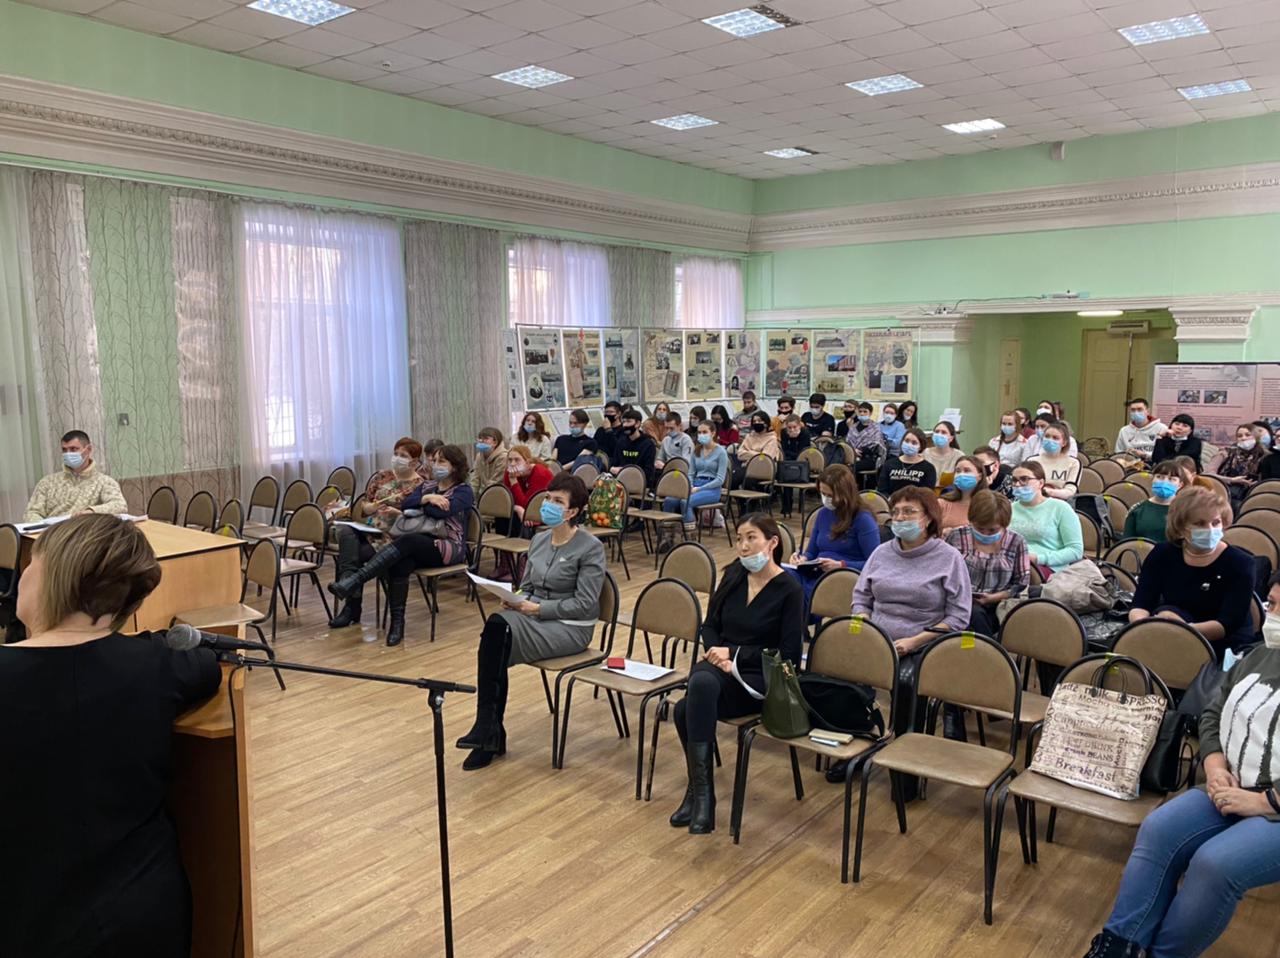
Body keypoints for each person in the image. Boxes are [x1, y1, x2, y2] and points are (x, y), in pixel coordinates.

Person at [0, 514, 221, 956]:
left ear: (55, 575)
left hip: (27, 919)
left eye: (31, 563)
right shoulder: (158, 668)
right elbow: (205, 664)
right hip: (145, 912)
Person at [1085, 573, 1280, 958]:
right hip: (1233, 784)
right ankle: (1119, 946)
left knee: (1215, 865)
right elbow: (1213, 713)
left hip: (1271, 804)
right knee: (1159, 829)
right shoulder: (1261, 656)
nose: (1269, 614)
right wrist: (1215, 765)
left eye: (1276, 607)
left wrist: (1265, 802)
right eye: (1271, 603)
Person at [456, 473, 606, 771]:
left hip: (570, 628)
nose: (548, 504)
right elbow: (527, 586)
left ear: (573, 511)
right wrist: (513, 598)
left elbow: (586, 604)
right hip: (533, 616)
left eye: (557, 501)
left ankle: (489, 732)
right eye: (548, 498)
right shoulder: (538, 540)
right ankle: (489, 729)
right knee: (496, 631)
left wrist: (536, 608)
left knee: (497, 636)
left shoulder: (590, 547)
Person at [669, 514, 804, 834]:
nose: (743, 546)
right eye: (740, 538)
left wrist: (735, 655)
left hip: (758, 678)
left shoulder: (790, 590)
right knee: (697, 689)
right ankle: (702, 795)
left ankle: (699, 795)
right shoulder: (733, 576)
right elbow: (709, 626)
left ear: (772, 543)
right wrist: (718, 654)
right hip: (719, 670)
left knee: (686, 707)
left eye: (751, 538)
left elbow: (788, 656)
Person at [852, 487, 972, 761]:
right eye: (895, 512)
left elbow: (958, 617)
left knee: (906, 680)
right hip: (878, 638)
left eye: (909, 512)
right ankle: (857, 744)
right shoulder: (881, 553)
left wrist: (913, 642)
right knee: (842, 668)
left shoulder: (949, 558)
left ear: (928, 518)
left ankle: (904, 754)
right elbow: (860, 598)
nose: (900, 518)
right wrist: (865, 625)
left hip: (924, 644)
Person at [329, 444, 475, 647]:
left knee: (407, 542)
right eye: (434, 460)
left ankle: (354, 581)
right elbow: (406, 504)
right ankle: (397, 624)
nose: (435, 464)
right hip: (419, 542)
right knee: (400, 561)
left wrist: (422, 504)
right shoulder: (429, 487)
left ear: (455, 466)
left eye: (442, 461)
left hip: (449, 546)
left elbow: (439, 513)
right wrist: (427, 498)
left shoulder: (463, 491)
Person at [1129, 486, 1255, 658]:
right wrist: (1146, 628)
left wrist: (1181, 632)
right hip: (1170, 628)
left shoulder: (1240, 563)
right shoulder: (1162, 553)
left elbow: (1228, 623)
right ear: (1181, 528)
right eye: (1199, 523)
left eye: (1216, 522)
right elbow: (1141, 604)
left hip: (1223, 641)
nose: (1210, 529)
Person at [328, 438, 428, 629]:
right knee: (346, 531)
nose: (397, 458)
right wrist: (370, 507)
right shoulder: (382, 476)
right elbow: (364, 505)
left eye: (403, 456)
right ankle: (348, 589)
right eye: (396, 454)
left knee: (354, 554)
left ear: (414, 461)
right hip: (370, 527)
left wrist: (397, 512)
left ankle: (351, 604)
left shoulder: (420, 485)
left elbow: (416, 516)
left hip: (394, 535)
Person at [788, 466, 879, 602]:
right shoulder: (823, 514)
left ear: (845, 493)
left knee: (794, 594)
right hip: (817, 573)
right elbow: (811, 552)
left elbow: (875, 564)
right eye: (822, 493)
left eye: (830, 495)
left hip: (843, 578)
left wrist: (841, 565)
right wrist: (802, 559)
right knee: (782, 578)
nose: (825, 499)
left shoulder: (863, 519)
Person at [946, 490, 1029, 638]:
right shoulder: (957, 536)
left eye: (992, 530)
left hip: (998, 605)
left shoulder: (1016, 542)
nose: (985, 534)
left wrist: (994, 597)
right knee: (972, 614)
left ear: (1004, 525)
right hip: (959, 602)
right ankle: (982, 649)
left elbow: (1021, 584)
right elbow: (943, 572)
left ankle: (978, 648)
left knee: (976, 617)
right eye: (979, 528)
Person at [22, 430, 127, 522]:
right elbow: (31, 513)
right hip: (54, 534)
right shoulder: (47, 482)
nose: (68, 454)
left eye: (73, 449)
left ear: (88, 449)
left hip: (86, 534)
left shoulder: (104, 482)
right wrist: (43, 528)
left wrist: (91, 511)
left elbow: (119, 505)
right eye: (64, 450)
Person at [1008, 461, 1084, 574]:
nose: (1018, 484)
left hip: (1049, 567)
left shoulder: (1060, 508)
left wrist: (1038, 558)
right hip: (1012, 563)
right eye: (1014, 480)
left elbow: (1076, 551)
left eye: (1024, 479)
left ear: (1041, 483)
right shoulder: (1009, 508)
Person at [664, 420, 728, 534]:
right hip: (695, 485)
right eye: (699, 432)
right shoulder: (696, 451)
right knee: (669, 500)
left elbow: (720, 479)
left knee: (686, 502)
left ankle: (690, 534)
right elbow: (691, 473)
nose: (701, 435)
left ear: (713, 433)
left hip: (712, 489)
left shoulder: (721, 452)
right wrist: (690, 485)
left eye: (705, 432)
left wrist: (699, 489)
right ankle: (667, 534)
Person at [1121, 460, 1183, 543]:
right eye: (1159, 477)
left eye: (1171, 479)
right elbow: (1126, 542)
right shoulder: (1137, 509)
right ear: (1152, 479)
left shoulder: (1186, 511)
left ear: (1180, 485)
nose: (1164, 482)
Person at [1207, 423, 1265, 511]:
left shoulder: (1264, 456)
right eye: (1239, 436)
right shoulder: (1227, 452)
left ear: (1256, 437)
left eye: (1248, 435)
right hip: (1226, 493)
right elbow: (1208, 473)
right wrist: (1231, 480)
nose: (1243, 438)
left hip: (1254, 494)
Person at [1028, 420, 1081, 499]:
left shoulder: (1073, 463)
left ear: (1064, 443)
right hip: (1034, 500)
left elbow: (1070, 491)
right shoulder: (1032, 461)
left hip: (1061, 502)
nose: (1050, 440)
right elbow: (1026, 485)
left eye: (1055, 438)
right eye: (1047, 436)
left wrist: (1048, 492)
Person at [877, 427, 936, 495]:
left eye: (914, 443)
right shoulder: (889, 464)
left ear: (921, 446)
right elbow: (882, 490)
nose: (909, 445)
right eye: (906, 441)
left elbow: (927, 494)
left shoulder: (928, 468)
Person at [503, 445, 554, 525]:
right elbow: (506, 500)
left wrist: (514, 482)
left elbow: (528, 506)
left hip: (542, 512)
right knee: (503, 516)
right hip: (521, 511)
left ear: (527, 462)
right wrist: (517, 508)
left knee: (518, 518)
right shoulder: (510, 472)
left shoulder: (540, 474)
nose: (512, 464)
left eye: (517, 460)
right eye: (510, 460)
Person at [939, 455, 989, 531]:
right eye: (958, 471)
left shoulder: (988, 505)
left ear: (980, 476)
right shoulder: (942, 503)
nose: (961, 475)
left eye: (967, 470)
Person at [734, 410, 781, 487]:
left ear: (766, 423)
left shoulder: (772, 439)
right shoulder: (749, 436)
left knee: (745, 479)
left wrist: (749, 453)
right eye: (754, 421)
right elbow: (740, 454)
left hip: (762, 469)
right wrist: (758, 454)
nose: (756, 423)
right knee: (733, 476)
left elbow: (765, 458)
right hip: (746, 467)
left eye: (759, 421)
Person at [612, 407, 657, 486]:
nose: (625, 425)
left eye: (628, 421)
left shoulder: (648, 444)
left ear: (637, 424)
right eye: (623, 422)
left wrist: (627, 472)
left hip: (640, 483)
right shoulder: (621, 442)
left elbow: (648, 471)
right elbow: (614, 464)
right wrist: (612, 469)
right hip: (621, 482)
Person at [778, 415, 812, 516]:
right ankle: (787, 506)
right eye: (789, 427)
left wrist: (793, 442)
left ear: (799, 425)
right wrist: (791, 440)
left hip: (802, 462)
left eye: (794, 427)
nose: (792, 430)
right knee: (785, 474)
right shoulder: (784, 432)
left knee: (789, 470)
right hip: (788, 461)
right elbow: (784, 449)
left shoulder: (805, 433)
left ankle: (793, 505)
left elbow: (803, 451)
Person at [842, 400, 886, 476]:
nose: (862, 413)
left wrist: (860, 451)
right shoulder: (853, 426)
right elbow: (847, 441)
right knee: (839, 465)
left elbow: (876, 444)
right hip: (851, 455)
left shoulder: (875, 427)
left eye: (865, 411)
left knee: (852, 467)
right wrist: (853, 450)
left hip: (869, 458)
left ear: (870, 413)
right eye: (860, 411)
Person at [1115, 397, 1164, 462]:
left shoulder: (1161, 428)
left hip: (1153, 465)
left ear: (1147, 411)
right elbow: (1118, 454)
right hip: (1129, 465)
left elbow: (1165, 456)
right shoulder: (1124, 431)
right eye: (1133, 410)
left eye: (1140, 409)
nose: (1136, 412)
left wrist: (1144, 455)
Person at [471, 427, 509, 493]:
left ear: (495, 442)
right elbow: (475, 479)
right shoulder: (479, 456)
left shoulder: (503, 457)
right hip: (484, 493)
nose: (481, 441)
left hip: (499, 493)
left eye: (486, 438)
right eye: (480, 438)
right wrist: (471, 495)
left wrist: (483, 495)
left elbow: (496, 482)